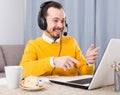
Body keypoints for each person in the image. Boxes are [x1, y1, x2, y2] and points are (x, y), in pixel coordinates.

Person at [20, 1, 100, 78]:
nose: (61, 25)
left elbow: (84, 73)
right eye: (55, 20)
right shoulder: (33, 45)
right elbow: (23, 71)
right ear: (43, 22)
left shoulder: (71, 42)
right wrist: (53, 61)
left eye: (63, 21)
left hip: (69, 90)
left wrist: (89, 63)